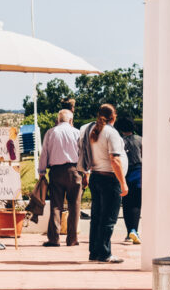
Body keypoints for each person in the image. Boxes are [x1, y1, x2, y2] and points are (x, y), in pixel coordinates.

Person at [79, 104, 128, 263]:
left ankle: (94, 251)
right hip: (109, 179)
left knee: (97, 217)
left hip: (96, 177)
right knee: (109, 218)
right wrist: (123, 183)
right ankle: (105, 253)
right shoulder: (110, 133)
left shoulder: (92, 131)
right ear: (114, 117)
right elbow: (115, 160)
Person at [38, 109, 82, 247]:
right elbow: (83, 153)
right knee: (74, 205)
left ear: (58, 119)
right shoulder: (77, 132)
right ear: (70, 120)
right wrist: (86, 172)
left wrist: (42, 172)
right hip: (74, 170)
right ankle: (72, 239)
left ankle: (54, 238)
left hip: (56, 171)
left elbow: (44, 153)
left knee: (56, 205)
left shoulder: (51, 133)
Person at [117, 116, 143, 244]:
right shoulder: (140, 140)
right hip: (138, 173)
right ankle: (134, 230)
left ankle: (129, 232)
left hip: (124, 173)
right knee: (137, 204)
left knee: (126, 203)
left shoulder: (120, 141)